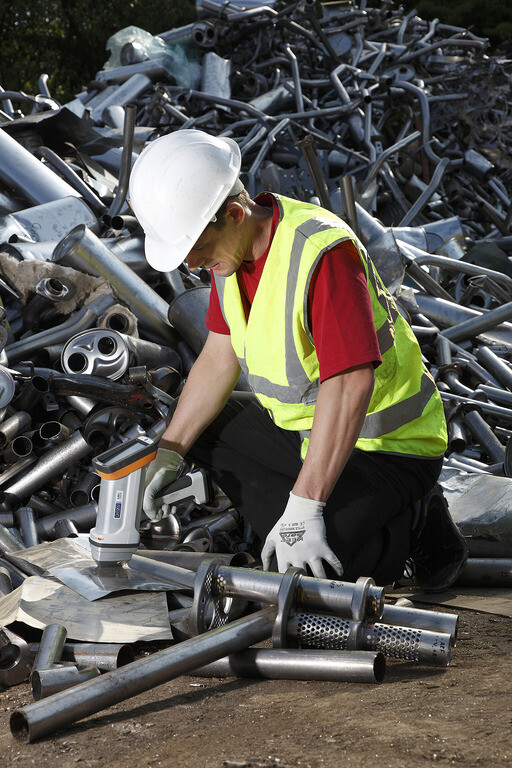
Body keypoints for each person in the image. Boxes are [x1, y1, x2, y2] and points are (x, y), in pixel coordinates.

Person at [128, 128, 467, 589]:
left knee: (316, 572)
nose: (192, 265)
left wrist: (304, 507)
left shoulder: (321, 254)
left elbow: (350, 383)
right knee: (204, 431)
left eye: (197, 250)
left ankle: (416, 520)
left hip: (390, 447)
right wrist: (170, 451)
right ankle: (312, 511)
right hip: (311, 435)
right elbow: (219, 355)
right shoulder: (231, 254)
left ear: (235, 213)